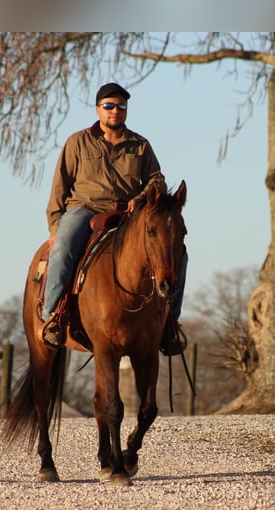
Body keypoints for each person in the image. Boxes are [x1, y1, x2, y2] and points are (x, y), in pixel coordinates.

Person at [39, 82, 187, 354]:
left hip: (128, 215)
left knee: (178, 250)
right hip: (85, 209)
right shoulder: (77, 142)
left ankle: (169, 323)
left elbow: (156, 179)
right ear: (98, 110)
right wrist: (54, 228)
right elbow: (60, 186)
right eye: (109, 106)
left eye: (121, 106)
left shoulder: (140, 145)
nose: (115, 111)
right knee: (64, 247)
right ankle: (54, 316)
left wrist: (141, 198)